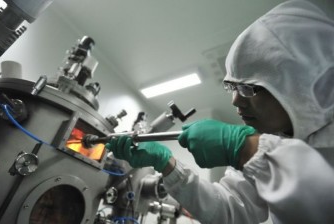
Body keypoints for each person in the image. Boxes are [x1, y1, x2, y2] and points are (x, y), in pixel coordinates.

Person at [105, 1, 334, 223]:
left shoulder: (260, 146)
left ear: (301, 85)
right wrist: (166, 163)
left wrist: (248, 149)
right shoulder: (269, 140)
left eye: (248, 88)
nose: (236, 101)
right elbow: (231, 211)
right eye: (232, 87)